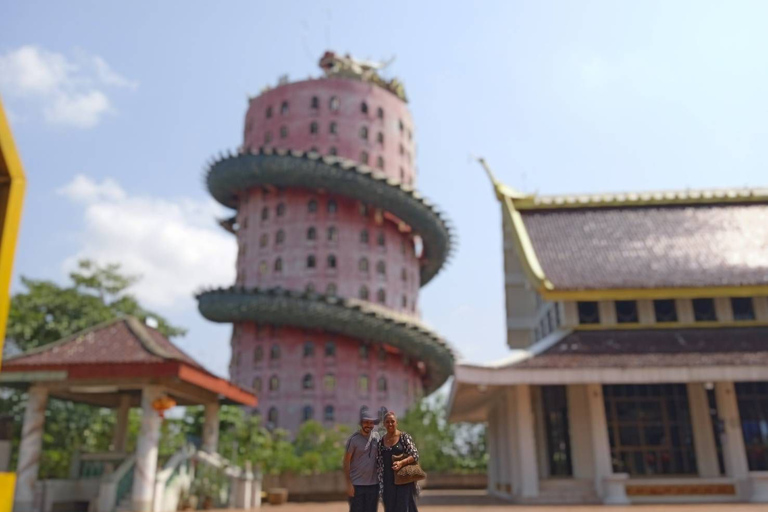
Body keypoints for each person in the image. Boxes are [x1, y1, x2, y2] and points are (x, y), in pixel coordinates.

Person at [377, 411, 420, 512]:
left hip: (404, 480)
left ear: (397, 423)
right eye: (387, 422)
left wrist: (401, 463)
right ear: (384, 424)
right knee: (390, 508)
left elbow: (415, 455)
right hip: (387, 481)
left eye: (392, 421)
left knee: (404, 508)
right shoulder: (381, 442)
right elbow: (379, 463)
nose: (390, 424)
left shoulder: (404, 437)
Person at [344, 406, 381, 512]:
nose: (368, 425)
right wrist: (349, 484)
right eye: (366, 422)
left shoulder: (377, 438)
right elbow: (346, 462)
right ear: (361, 423)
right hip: (357, 486)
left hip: (373, 486)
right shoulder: (353, 440)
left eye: (371, 423)